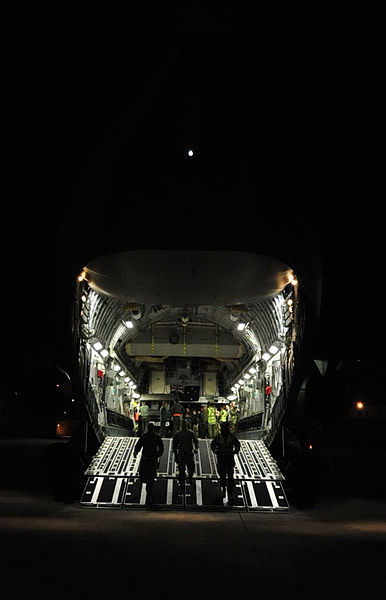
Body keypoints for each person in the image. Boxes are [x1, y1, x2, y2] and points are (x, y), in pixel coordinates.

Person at [134, 423, 164, 506]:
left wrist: (136, 452)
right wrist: (158, 455)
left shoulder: (144, 436)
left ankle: (149, 496)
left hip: (146, 459)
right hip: (152, 460)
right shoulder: (156, 437)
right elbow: (161, 448)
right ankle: (150, 496)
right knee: (150, 478)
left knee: (145, 478)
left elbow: (138, 445)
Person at [211, 421, 241, 504]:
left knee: (230, 477)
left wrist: (236, 450)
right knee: (222, 477)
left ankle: (230, 494)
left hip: (229, 458)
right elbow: (212, 445)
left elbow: (237, 444)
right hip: (221, 458)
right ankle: (223, 491)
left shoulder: (231, 436)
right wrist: (215, 450)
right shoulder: (218, 437)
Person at [172, 419, 199, 488]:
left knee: (191, 468)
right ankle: (182, 484)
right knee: (181, 471)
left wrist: (196, 448)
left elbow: (196, 441)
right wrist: (175, 454)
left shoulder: (190, 433)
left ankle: (190, 478)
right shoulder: (178, 434)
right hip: (182, 454)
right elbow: (174, 445)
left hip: (189, 453)